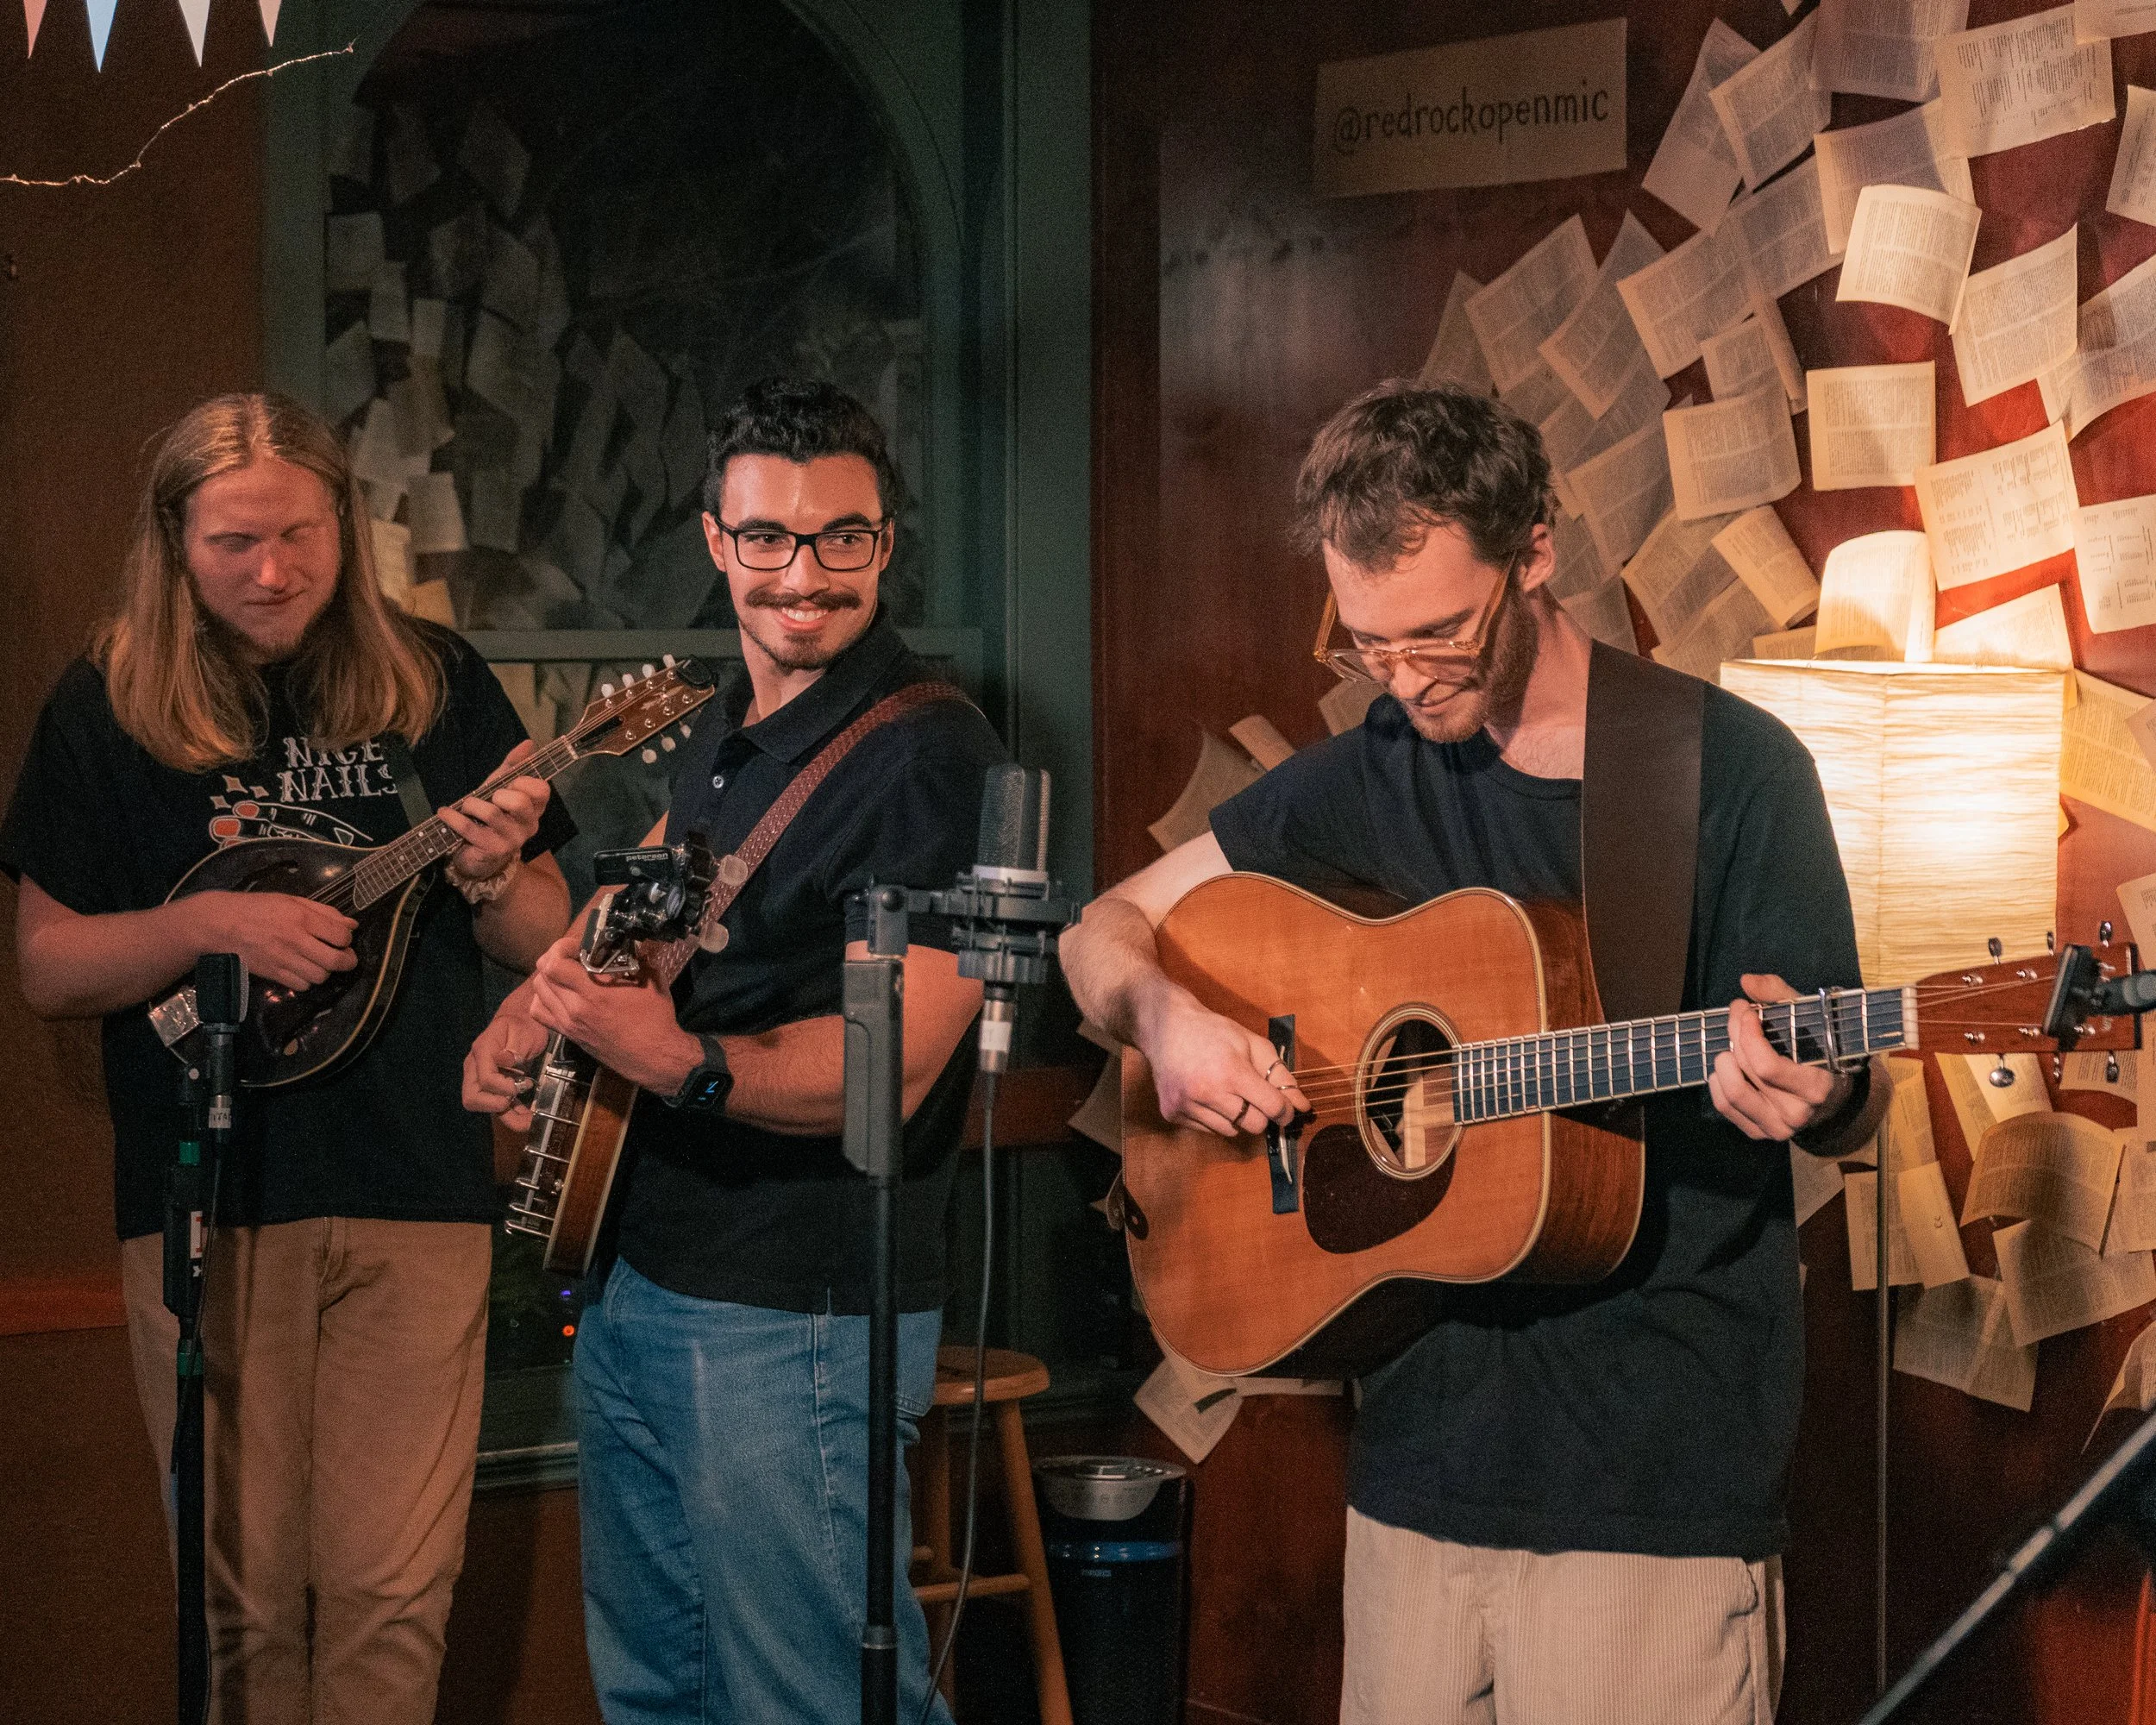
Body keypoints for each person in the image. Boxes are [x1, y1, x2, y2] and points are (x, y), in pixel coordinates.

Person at [1059, 380, 1890, 1725]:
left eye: (1439, 632)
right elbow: (1100, 933)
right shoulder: (1371, 767)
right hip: (1417, 1470)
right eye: (1368, 644)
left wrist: (1823, 1083)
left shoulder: (1723, 772)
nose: (1404, 679)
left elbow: (1842, 1074)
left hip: (1651, 1481)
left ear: (1537, 554)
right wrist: (1166, 1018)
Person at [0, 391, 575, 1724]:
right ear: (175, 545)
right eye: (234, 544)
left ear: (345, 528)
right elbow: (46, 967)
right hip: (208, 1206)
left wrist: (495, 875)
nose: (273, 572)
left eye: (302, 537)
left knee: (390, 1596)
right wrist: (206, 924)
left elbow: (545, 927)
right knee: (241, 1605)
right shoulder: (106, 705)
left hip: (416, 1192)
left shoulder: (434, 682)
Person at [462, 377, 1006, 1724]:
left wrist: (680, 1065)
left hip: (795, 1313)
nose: (803, 574)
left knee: (812, 1703)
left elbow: (905, 1065)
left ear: (886, 543)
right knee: (658, 1696)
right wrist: (534, 1005)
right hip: (643, 1278)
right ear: (717, 540)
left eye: (841, 537)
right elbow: (650, 902)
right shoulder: (730, 732)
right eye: (768, 537)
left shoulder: (935, 754)